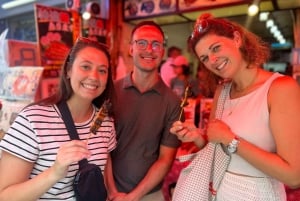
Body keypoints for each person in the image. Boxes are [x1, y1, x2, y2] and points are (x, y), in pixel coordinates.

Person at [170, 13, 300, 200]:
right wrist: (197, 138)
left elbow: (294, 176)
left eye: (216, 48)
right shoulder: (222, 92)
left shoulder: (280, 89)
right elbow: (219, 152)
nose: (213, 60)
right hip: (220, 192)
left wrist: (232, 141)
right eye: (205, 58)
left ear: (237, 39)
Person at [0, 37, 117, 200]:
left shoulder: (105, 122)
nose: (94, 76)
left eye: (102, 70)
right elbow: (4, 196)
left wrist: (112, 192)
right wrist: (54, 172)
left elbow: (106, 161)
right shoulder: (32, 119)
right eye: (85, 66)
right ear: (68, 70)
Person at [106, 21, 182, 201]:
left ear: (163, 51)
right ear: (131, 48)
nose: (149, 49)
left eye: (156, 44)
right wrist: (112, 192)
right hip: (108, 192)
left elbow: (165, 159)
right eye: (141, 43)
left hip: (149, 195)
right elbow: (102, 148)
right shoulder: (109, 93)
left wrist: (132, 197)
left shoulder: (173, 102)